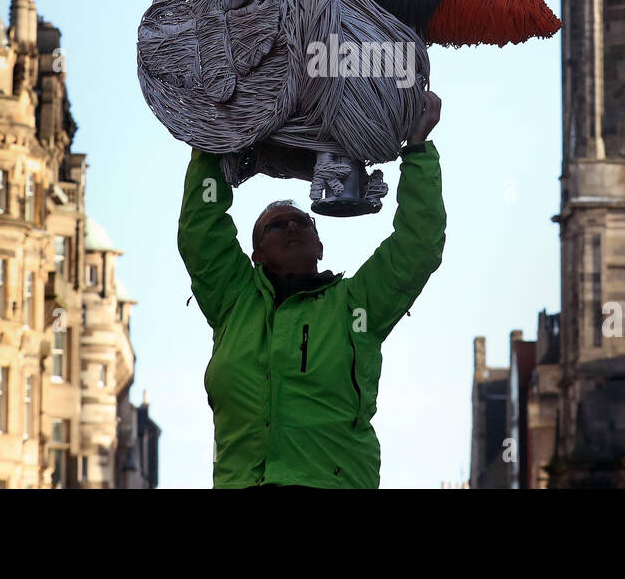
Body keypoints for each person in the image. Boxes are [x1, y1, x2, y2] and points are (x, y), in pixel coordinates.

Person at [177, 90, 445, 488]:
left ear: (320, 245)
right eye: (276, 225)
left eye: (302, 223)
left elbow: (418, 244)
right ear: (256, 253)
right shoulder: (233, 301)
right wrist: (211, 143)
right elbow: (201, 229)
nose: (291, 228)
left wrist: (419, 148)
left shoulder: (356, 307)